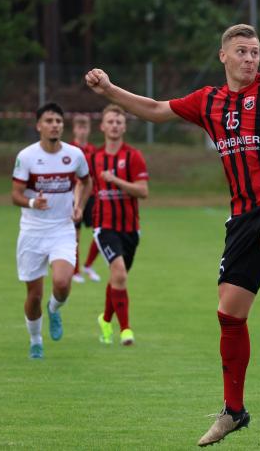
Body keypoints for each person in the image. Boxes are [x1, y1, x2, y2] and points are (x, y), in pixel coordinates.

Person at [85, 23, 260, 446]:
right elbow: (154, 108)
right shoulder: (209, 101)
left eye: (256, 52)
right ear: (223, 56)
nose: (250, 59)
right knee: (229, 314)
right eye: (241, 51)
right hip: (241, 216)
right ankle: (234, 411)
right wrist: (110, 90)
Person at [11, 103, 92, 359]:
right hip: (32, 231)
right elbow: (15, 195)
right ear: (39, 126)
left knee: (61, 283)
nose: (55, 124)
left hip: (62, 229)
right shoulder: (26, 157)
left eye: (58, 120)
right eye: (49, 120)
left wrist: (79, 206)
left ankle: (55, 310)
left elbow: (86, 182)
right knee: (33, 296)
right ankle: (35, 340)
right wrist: (34, 202)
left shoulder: (75, 155)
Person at [90, 104, 149, 347]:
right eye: (110, 122)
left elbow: (143, 191)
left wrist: (116, 180)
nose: (114, 126)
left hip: (130, 229)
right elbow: (85, 187)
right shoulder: (93, 158)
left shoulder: (133, 156)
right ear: (102, 126)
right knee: (119, 273)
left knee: (118, 278)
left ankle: (105, 319)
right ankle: (125, 329)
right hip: (104, 226)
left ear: (124, 127)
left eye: (118, 122)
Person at [70, 113, 102, 283]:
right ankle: (75, 271)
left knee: (100, 232)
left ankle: (88, 265)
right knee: (75, 235)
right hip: (74, 197)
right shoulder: (69, 150)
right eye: (79, 127)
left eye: (85, 127)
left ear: (89, 130)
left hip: (93, 196)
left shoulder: (93, 150)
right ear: (74, 129)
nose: (82, 131)